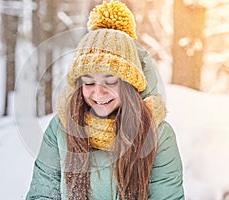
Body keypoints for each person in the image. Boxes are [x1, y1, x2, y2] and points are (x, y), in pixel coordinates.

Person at [26, 1, 184, 199]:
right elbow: (42, 193)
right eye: (89, 83)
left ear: (128, 86)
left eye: (110, 82)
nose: (98, 94)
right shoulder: (60, 129)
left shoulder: (158, 135)